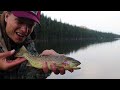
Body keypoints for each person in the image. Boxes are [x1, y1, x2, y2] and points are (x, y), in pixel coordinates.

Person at [0, 11, 74, 79]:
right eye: (20, 21)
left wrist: (41, 67)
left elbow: (27, 76)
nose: (25, 30)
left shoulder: (28, 43)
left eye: (30, 25)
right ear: (6, 16)